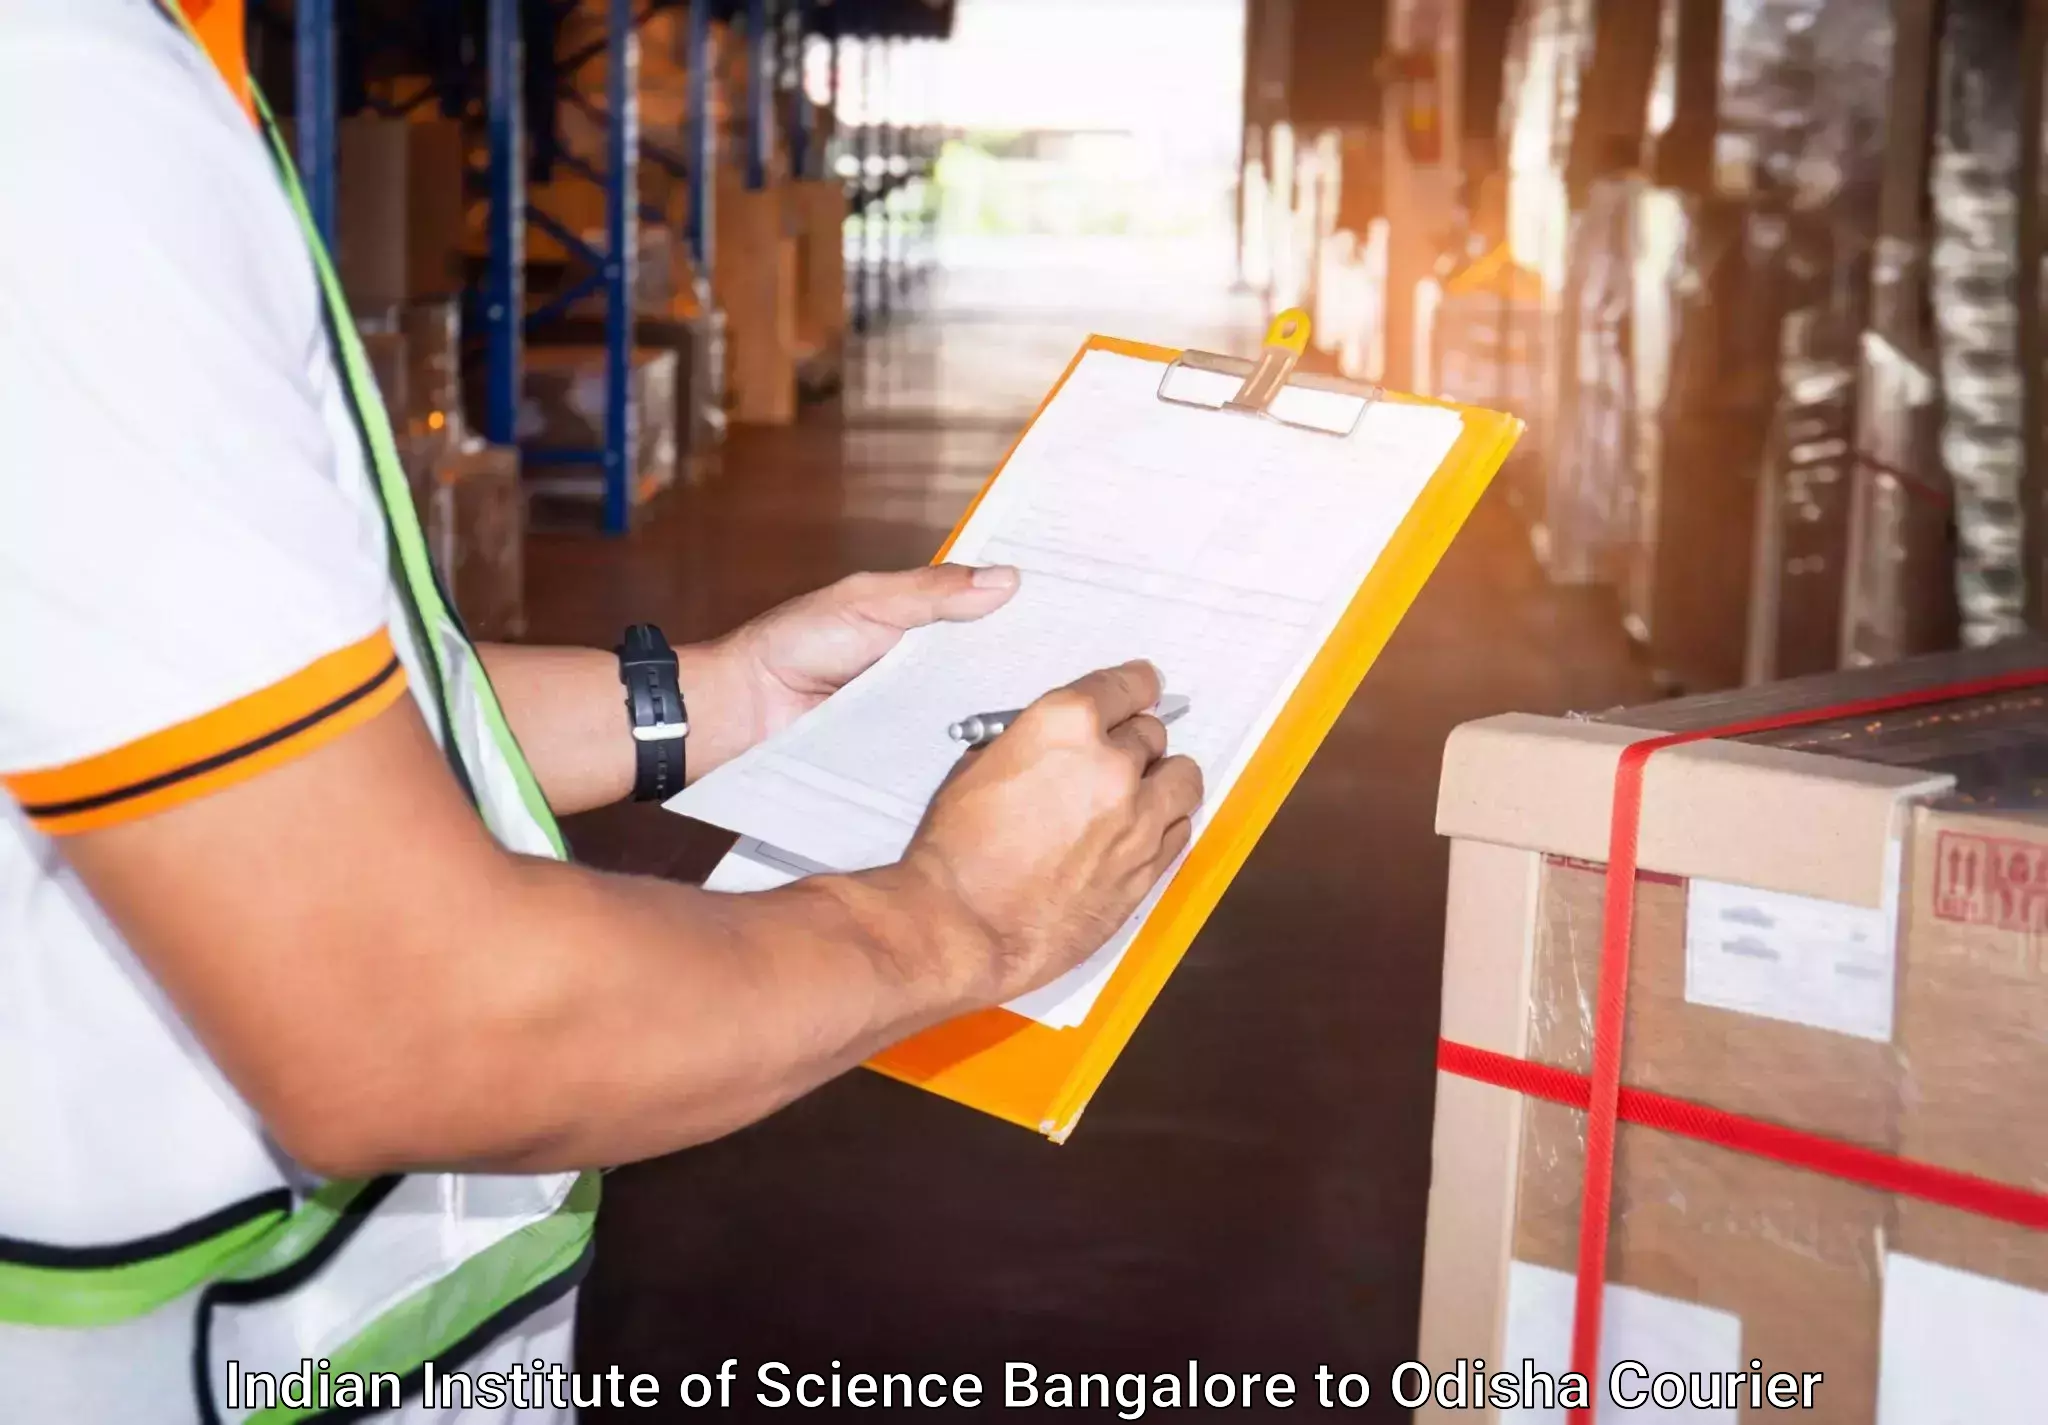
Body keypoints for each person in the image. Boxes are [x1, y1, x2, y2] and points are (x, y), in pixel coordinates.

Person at [0, 1, 1203, 1419]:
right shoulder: (62, 109)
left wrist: (728, 697)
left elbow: (202, 717)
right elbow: (412, 1023)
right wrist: (955, 921)